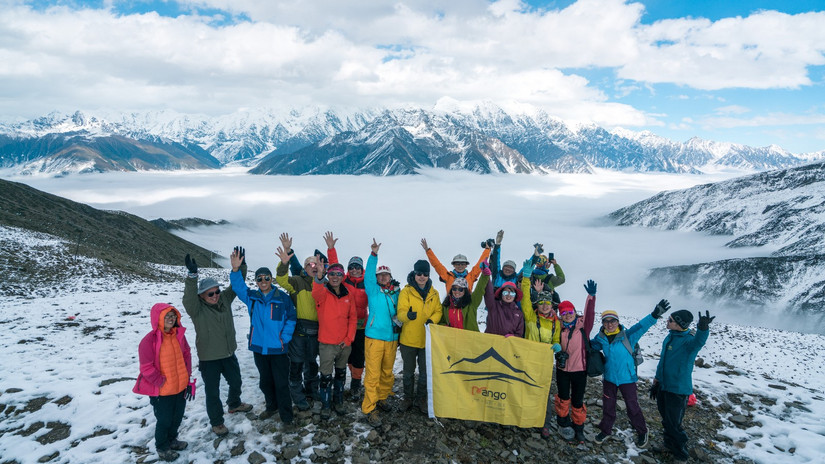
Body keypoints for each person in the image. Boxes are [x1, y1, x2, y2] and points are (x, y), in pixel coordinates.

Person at [182, 251, 252, 437]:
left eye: (217, 291)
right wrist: (192, 276)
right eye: (210, 294)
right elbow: (188, 298)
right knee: (212, 393)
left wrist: (240, 267)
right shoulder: (196, 309)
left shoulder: (225, 300)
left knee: (236, 381)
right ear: (202, 296)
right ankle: (217, 422)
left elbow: (236, 284)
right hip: (209, 358)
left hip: (229, 354)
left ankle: (234, 404)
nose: (215, 295)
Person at [591, 300, 671, 448]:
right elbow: (588, 346)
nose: (609, 324)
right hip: (609, 378)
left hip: (627, 378)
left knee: (632, 406)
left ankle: (642, 431)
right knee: (608, 406)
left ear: (617, 321)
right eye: (606, 321)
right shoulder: (600, 338)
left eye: (612, 321)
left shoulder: (628, 336)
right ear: (602, 323)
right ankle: (605, 430)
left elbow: (642, 326)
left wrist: (654, 315)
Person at [230, 252, 297, 427]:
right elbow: (238, 287)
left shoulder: (282, 298)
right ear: (256, 281)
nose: (263, 281)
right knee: (265, 382)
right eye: (259, 279)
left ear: (271, 279)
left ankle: (287, 417)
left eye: (266, 277)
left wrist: (284, 339)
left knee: (281, 384)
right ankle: (271, 406)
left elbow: (291, 319)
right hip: (259, 348)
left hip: (278, 349)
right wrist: (236, 269)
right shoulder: (252, 297)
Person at [650, 310, 714, 462]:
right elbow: (663, 361)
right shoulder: (670, 336)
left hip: (678, 390)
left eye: (670, 320)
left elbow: (699, 341)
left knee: (674, 423)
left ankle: (681, 454)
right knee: (666, 419)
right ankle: (668, 445)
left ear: (679, 324)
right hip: (663, 386)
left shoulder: (688, 342)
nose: (667, 321)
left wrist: (703, 328)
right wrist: (657, 380)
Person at [133, 303, 192, 462]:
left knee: (177, 417)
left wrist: (187, 377)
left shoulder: (179, 335)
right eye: (167, 316)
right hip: (162, 391)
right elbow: (146, 367)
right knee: (164, 420)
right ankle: (162, 446)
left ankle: (172, 440)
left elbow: (187, 355)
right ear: (157, 318)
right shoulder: (149, 341)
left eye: (173, 316)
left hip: (180, 387)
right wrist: (160, 382)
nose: (171, 319)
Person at [276, 233, 322, 411]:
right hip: (299, 331)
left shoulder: (323, 283)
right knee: (295, 364)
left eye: (316, 264)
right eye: (309, 264)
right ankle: (298, 395)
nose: (313, 267)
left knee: (311, 363)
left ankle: (312, 390)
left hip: (317, 331)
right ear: (304, 267)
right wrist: (285, 261)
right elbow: (280, 279)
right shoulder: (297, 281)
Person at [360, 238, 402, 426]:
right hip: (374, 338)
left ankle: (382, 397)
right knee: (373, 374)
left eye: (386, 274)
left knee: (387, 372)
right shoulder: (373, 290)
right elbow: (368, 274)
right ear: (377, 278)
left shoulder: (397, 293)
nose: (383, 277)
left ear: (391, 276)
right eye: (380, 275)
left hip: (392, 339)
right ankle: (369, 407)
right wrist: (374, 254)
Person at [323, 231, 369, 399]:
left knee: (358, 356)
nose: (354, 269)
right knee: (345, 355)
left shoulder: (368, 282)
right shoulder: (344, 280)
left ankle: (356, 384)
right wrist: (331, 249)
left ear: (362, 268)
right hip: (344, 324)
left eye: (358, 266)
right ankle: (343, 382)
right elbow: (334, 267)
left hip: (361, 325)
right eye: (352, 267)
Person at [312, 261, 358, 420]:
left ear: (343, 275)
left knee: (340, 373)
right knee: (325, 376)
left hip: (344, 344)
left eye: (339, 274)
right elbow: (315, 292)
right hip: (326, 344)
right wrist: (319, 276)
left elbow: (353, 318)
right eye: (332, 274)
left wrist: (349, 338)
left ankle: (338, 401)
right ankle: (325, 404)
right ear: (328, 275)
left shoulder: (348, 295)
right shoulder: (322, 293)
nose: (335, 277)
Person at [553, 280, 597, 443]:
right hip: (563, 370)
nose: (567, 314)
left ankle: (578, 427)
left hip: (580, 370)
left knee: (577, 400)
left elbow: (590, 313)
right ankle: (563, 423)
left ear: (574, 311)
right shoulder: (558, 327)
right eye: (564, 313)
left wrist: (591, 297)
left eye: (569, 311)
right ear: (561, 315)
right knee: (563, 397)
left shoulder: (583, 325)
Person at [397, 259, 442, 413]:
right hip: (408, 340)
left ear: (428, 275)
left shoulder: (434, 293)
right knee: (408, 372)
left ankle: (421, 398)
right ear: (414, 274)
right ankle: (408, 397)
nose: (422, 277)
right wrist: (407, 315)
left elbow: (438, 311)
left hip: (426, 341)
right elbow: (400, 313)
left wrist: (433, 320)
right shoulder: (406, 291)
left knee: (424, 372)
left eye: (425, 274)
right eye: (419, 273)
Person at [420, 237, 492, 294]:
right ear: (454, 265)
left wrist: (487, 249)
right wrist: (428, 250)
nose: (460, 266)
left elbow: (480, 263)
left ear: (466, 265)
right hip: (451, 308)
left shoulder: (471, 276)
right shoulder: (448, 276)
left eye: (463, 264)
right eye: (457, 264)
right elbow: (437, 265)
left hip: (466, 309)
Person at [483, 260, 525, 338]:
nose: (508, 296)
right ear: (501, 294)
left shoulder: (519, 313)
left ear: (515, 296)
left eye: (512, 293)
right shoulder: (493, 306)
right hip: (490, 344)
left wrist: (513, 337)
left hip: (507, 346)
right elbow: (489, 292)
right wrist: (486, 276)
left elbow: (519, 334)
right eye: (505, 293)